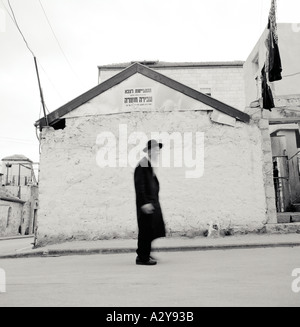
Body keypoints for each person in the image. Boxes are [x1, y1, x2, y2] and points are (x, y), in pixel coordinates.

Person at [134, 139, 166, 265]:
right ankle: (142, 258)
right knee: (146, 230)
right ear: (149, 151)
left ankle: (144, 253)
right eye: (155, 150)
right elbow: (140, 185)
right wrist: (145, 202)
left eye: (159, 150)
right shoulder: (143, 164)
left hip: (150, 203)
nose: (158, 152)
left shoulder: (149, 164)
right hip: (146, 204)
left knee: (150, 229)